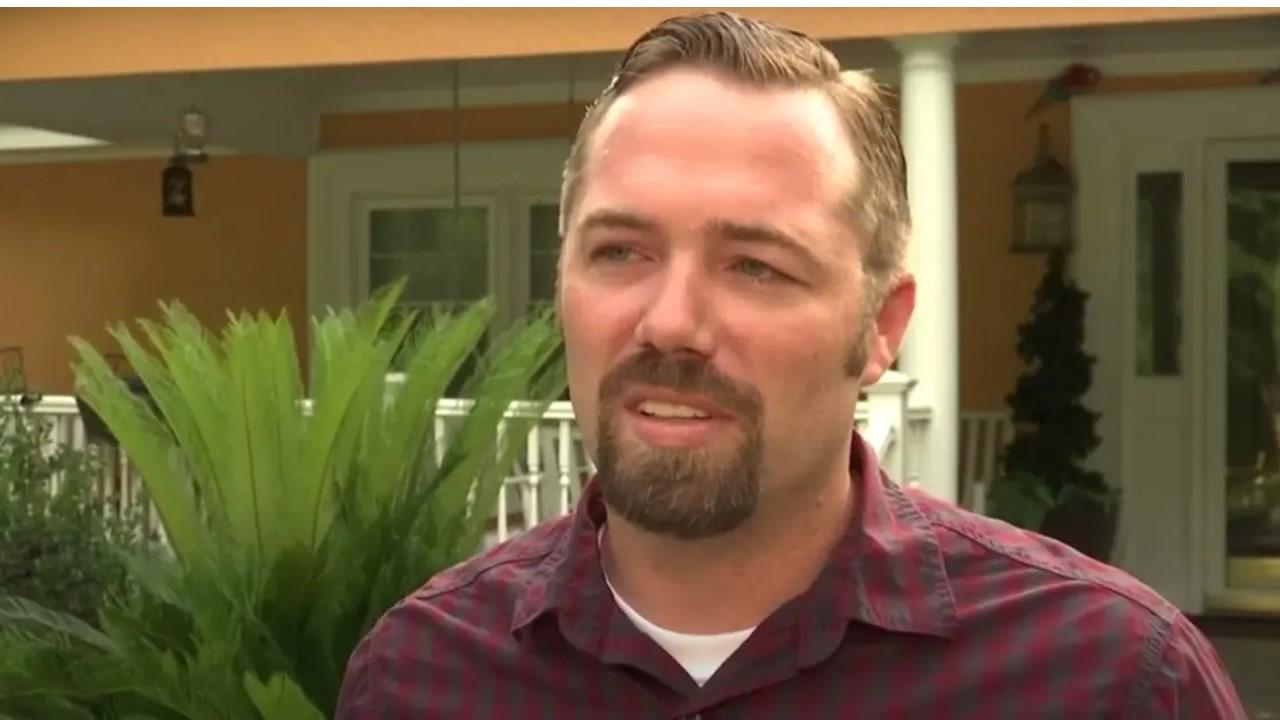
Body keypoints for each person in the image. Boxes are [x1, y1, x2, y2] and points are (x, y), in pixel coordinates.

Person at [337, 12, 1246, 719]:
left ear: (880, 327)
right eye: (620, 252)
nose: (671, 323)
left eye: (756, 266)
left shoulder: (1111, 680)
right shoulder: (418, 676)